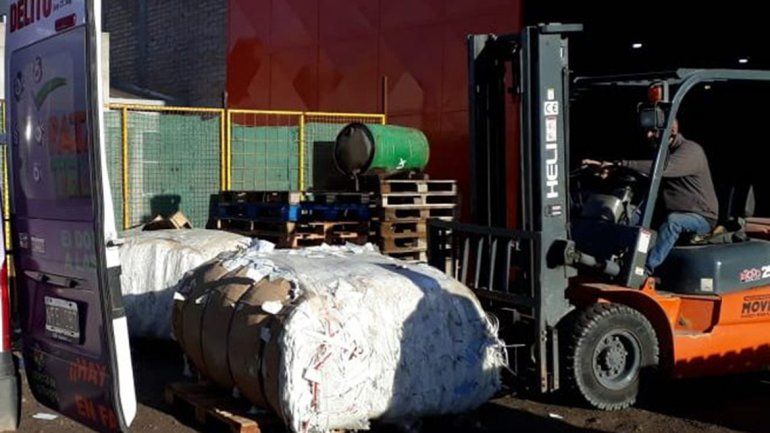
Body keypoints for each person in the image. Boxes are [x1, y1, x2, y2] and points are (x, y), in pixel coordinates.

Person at [582, 119, 719, 274]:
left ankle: (644, 270)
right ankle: (605, 261)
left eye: (654, 131)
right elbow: (642, 168)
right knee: (627, 215)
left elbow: (661, 169)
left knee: (674, 221)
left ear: (671, 131)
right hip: (669, 211)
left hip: (700, 217)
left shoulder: (690, 151)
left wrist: (622, 164)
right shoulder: (662, 153)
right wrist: (610, 169)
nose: (648, 135)